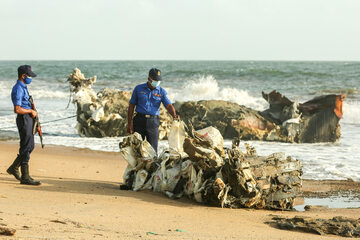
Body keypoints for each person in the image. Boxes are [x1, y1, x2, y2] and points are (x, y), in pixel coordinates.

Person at [127, 68, 179, 153]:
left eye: (158, 80)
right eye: (155, 80)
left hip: (153, 122)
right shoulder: (138, 89)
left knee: (153, 152)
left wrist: (174, 115)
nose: (157, 82)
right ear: (149, 79)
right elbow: (131, 106)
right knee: (137, 150)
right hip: (139, 121)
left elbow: (168, 105)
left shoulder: (161, 91)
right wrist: (129, 124)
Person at [7, 65, 41, 185]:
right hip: (24, 119)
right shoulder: (18, 89)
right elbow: (17, 109)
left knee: (30, 146)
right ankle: (25, 176)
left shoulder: (23, 87)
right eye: (29, 76)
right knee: (26, 147)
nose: (30, 78)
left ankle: (14, 168)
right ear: (23, 76)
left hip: (28, 119)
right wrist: (31, 112)